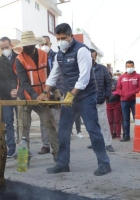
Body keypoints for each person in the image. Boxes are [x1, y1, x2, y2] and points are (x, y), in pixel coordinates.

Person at [38, 23, 111, 176]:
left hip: (86, 96)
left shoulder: (82, 50)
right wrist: (45, 92)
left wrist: (71, 94)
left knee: (93, 130)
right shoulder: (59, 54)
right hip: (70, 97)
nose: (61, 41)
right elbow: (54, 75)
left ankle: (104, 164)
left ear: (71, 36)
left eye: (63, 38)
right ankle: (63, 163)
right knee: (63, 131)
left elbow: (84, 77)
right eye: (58, 38)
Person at [15, 31, 59, 161]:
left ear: (34, 44)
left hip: (43, 95)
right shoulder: (19, 59)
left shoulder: (44, 55)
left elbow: (51, 75)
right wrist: (36, 96)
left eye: (29, 45)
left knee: (50, 124)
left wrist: (54, 90)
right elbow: (23, 82)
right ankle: (24, 159)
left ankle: (58, 155)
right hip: (24, 97)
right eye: (25, 46)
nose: (26, 48)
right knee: (23, 129)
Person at [37, 35, 62, 154]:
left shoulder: (57, 56)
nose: (44, 46)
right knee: (43, 119)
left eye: (46, 44)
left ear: (50, 44)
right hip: (42, 92)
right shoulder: (37, 57)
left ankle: (58, 144)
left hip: (55, 91)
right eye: (42, 44)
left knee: (56, 119)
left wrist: (59, 90)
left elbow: (61, 75)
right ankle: (45, 145)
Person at [0, 37, 18, 158]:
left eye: (6, 47)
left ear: (11, 45)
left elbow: (23, 76)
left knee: (23, 122)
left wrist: (17, 90)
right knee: (8, 122)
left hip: (20, 95)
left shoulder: (19, 57)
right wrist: (9, 91)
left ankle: (24, 146)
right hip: (5, 95)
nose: (5, 50)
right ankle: (11, 148)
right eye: (2, 48)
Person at [87, 49, 114, 152]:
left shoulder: (102, 69)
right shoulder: (82, 67)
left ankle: (108, 143)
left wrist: (106, 96)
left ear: (96, 57)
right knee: (91, 123)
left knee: (103, 122)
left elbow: (108, 82)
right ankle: (95, 143)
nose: (91, 59)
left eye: (93, 57)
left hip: (100, 100)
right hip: (87, 101)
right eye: (89, 57)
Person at [116, 60, 140, 142]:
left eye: (131, 66)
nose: (129, 68)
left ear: (134, 66)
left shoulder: (138, 76)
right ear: (125, 67)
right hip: (124, 101)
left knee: (136, 118)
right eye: (128, 66)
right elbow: (118, 88)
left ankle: (139, 136)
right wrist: (123, 94)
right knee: (125, 119)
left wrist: (131, 93)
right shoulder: (121, 77)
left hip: (135, 100)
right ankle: (126, 136)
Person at [107, 70, 123, 140]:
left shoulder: (116, 82)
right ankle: (111, 134)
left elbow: (120, 90)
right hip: (107, 104)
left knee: (117, 120)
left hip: (116, 103)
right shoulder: (103, 83)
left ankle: (118, 134)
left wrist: (115, 93)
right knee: (110, 120)